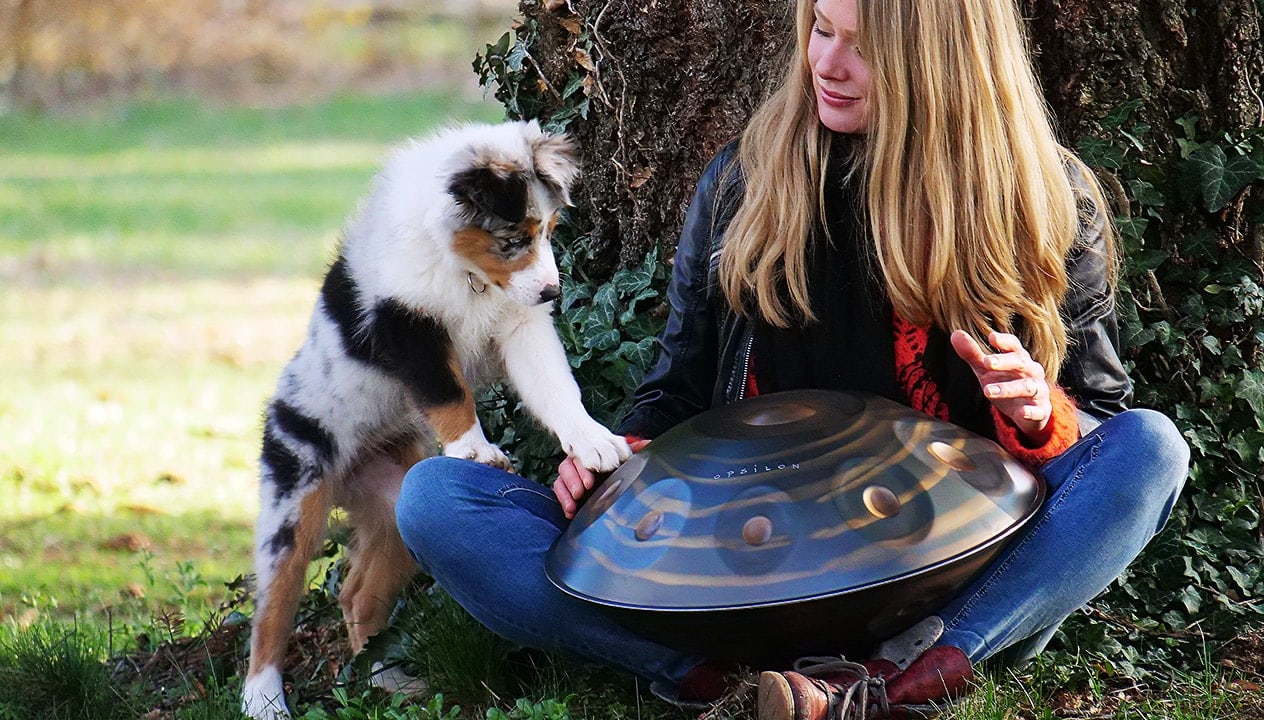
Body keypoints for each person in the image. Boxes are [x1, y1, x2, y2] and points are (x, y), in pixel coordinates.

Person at [395, 0, 1190, 716]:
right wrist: (615, 469)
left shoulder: (1041, 196)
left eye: (863, 47)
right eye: (820, 30)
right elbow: (677, 395)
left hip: (941, 577)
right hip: (743, 587)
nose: (827, 64)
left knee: (1151, 450)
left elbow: (1102, 425)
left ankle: (896, 682)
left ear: (940, 61)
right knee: (438, 500)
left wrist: (1041, 414)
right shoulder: (745, 183)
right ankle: (726, 686)